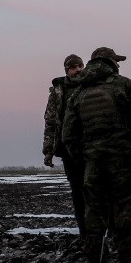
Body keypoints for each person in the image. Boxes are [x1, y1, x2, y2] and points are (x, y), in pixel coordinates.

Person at [62, 47, 131, 263]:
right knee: (125, 208)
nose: (119, 64)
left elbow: (68, 135)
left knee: (94, 211)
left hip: (93, 162)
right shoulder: (124, 85)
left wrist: (84, 159)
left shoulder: (78, 92)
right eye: (116, 60)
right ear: (109, 61)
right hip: (122, 161)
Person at [42, 53, 87, 233]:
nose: (78, 70)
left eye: (80, 66)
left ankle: (101, 231)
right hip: (68, 149)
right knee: (77, 190)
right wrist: (48, 150)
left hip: (91, 146)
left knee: (96, 189)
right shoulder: (58, 92)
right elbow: (51, 122)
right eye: (74, 67)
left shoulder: (91, 86)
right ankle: (84, 231)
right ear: (67, 70)